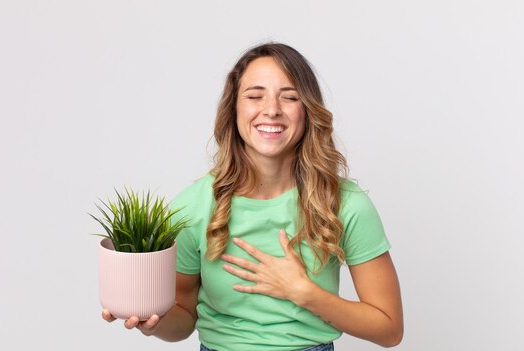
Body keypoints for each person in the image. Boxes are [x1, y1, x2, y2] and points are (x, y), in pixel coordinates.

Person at [102, 42, 403, 351]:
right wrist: (152, 322)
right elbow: (184, 318)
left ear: (308, 110)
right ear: (234, 109)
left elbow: (389, 329)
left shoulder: (346, 204)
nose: (271, 109)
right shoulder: (191, 207)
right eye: (255, 96)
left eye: (289, 97)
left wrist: (303, 292)